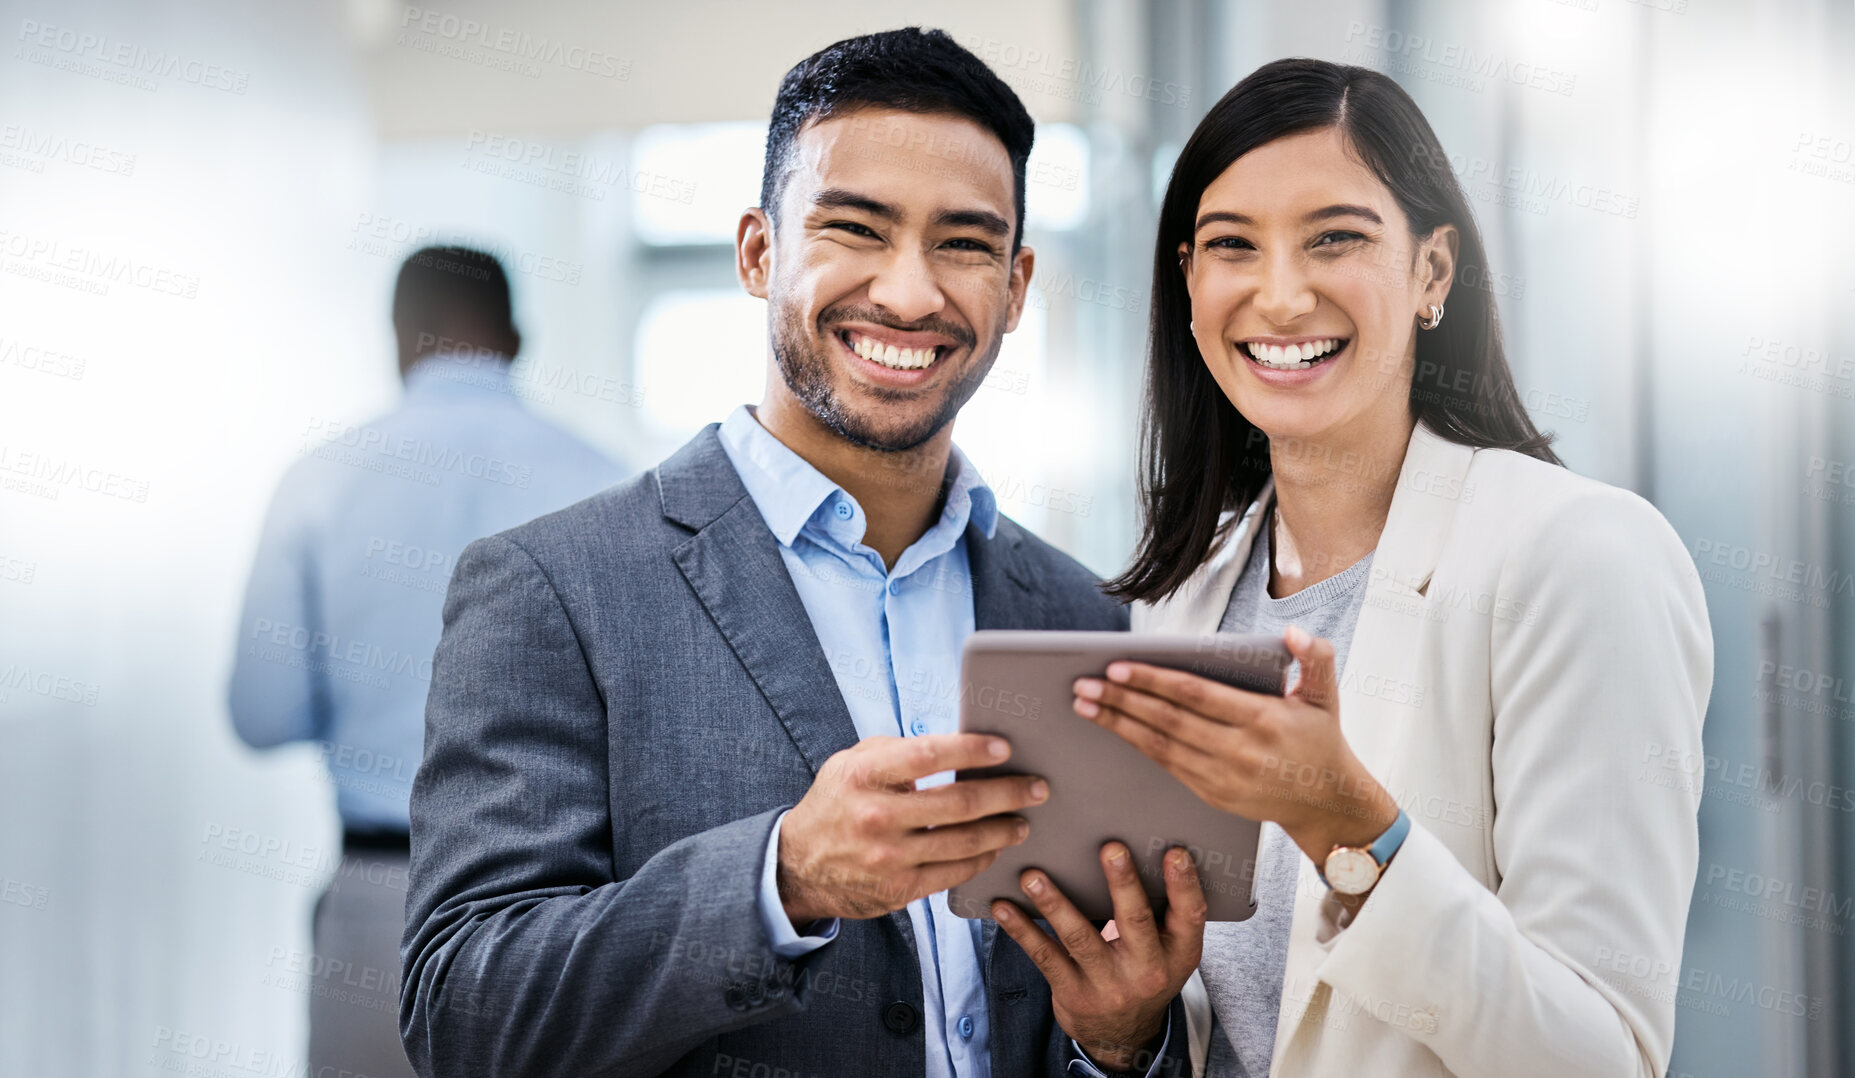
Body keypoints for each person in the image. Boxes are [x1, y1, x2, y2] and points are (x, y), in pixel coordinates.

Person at [399, 28, 1203, 1078]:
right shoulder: (554, 589)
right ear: (757, 252)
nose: (909, 295)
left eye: (963, 244)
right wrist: (780, 880)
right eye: (855, 229)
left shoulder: (1082, 615)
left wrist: (1116, 1040)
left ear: (1015, 285)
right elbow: (464, 1012)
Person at [1071, 59, 1712, 1077]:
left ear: (1431, 273)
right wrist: (1125, 1032)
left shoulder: (1582, 555)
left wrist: (1350, 827)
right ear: (1188, 282)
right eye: (1233, 246)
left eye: (1336, 237)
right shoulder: (1178, 603)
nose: (1280, 296)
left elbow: (1602, 1056)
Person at [229, 245, 626, 1078]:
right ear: (516, 338)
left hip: (384, 901)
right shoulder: (607, 482)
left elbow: (262, 715)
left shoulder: (318, 478)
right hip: (566, 914)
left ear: (402, 337)